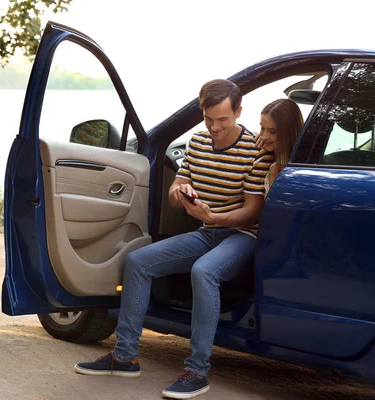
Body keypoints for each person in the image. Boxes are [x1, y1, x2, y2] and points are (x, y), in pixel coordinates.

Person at [73, 79, 274, 399]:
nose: (215, 127)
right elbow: (174, 191)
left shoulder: (255, 150)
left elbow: (251, 213)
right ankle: (125, 357)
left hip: (242, 237)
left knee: (204, 271)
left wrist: (212, 217)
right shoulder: (197, 142)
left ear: (238, 112)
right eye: (208, 119)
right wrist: (180, 192)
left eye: (222, 119)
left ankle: (197, 371)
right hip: (207, 232)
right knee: (137, 260)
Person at [255, 98, 304, 194]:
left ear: (288, 132)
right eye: (262, 128)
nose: (264, 136)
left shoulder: (279, 168)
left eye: (272, 132)